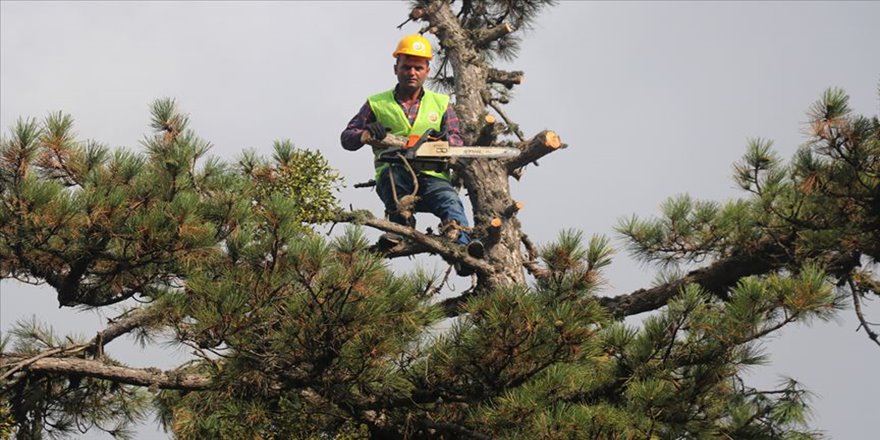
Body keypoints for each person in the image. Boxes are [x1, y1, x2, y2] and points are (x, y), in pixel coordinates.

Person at [341, 34, 483, 274]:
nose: (412, 72)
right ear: (396, 68)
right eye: (406, 67)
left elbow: (456, 139)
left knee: (450, 202)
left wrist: (446, 146)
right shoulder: (377, 103)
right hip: (395, 171)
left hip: (432, 175)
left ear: (427, 70)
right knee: (394, 183)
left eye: (418, 68)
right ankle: (399, 228)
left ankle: (462, 249)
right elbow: (347, 137)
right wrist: (366, 134)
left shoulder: (440, 103)